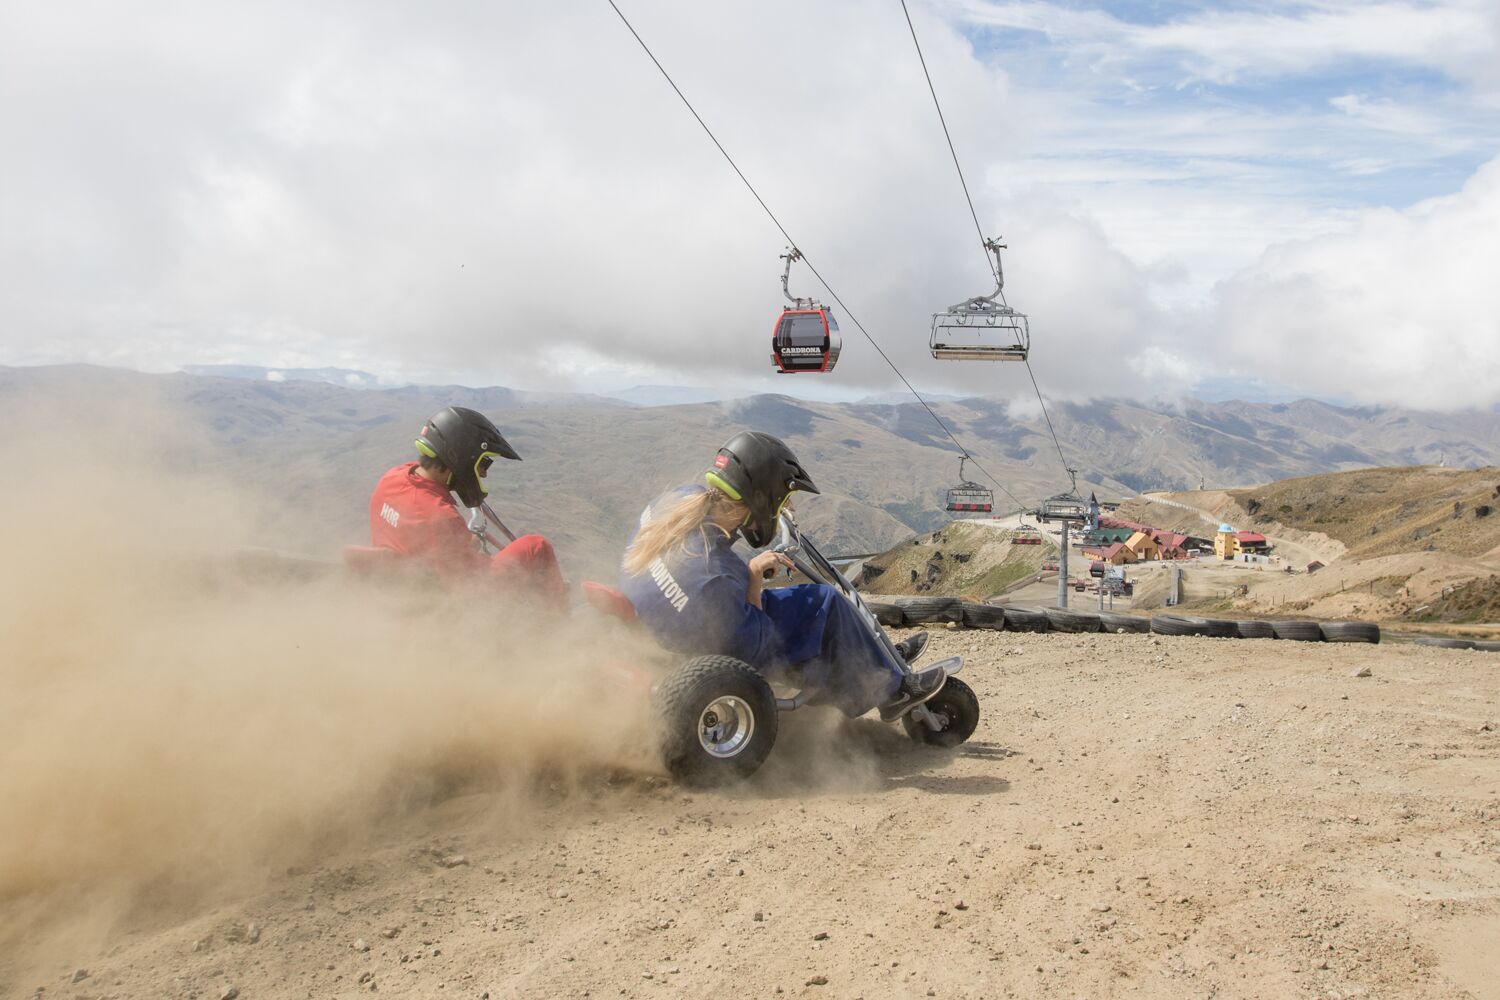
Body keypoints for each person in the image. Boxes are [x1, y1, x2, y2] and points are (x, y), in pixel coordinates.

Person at [619, 430, 946, 721]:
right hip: (707, 644)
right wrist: (753, 575)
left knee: (799, 605)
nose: (790, 508)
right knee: (824, 602)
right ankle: (889, 691)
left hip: (664, 619)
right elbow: (756, 648)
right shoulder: (717, 574)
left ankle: (875, 659)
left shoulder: (677, 502)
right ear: (761, 497)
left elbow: (713, 580)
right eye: (784, 500)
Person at [368, 405, 566, 607]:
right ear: (462, 456)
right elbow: (469, 586)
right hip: (446, 601)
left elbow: (425, 538)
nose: (484, 473)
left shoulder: (391, 478)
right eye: (484, 463)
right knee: (537, 546)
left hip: (405, 586)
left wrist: (461, 542)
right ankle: (559, 620)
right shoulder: (441, 517)